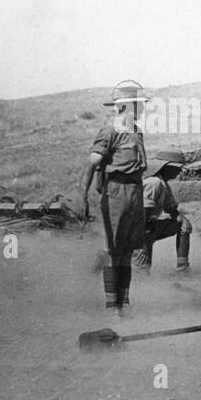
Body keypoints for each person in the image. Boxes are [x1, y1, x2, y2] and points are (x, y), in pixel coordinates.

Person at [81, 80, 150, 312]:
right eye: (137, 105)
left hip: (135, 191)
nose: (141, 109)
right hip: (116, 191)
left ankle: (125, 301)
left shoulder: (137, 132)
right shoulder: (110, 131)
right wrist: (82, 197)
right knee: (113, 250)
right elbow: (92, 163)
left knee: (128, 250)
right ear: (124, 107)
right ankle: (112, 306)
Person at [133, 149, 192, 273]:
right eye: (177, 168)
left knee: (182, 226)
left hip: (147, 228)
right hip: (137, 230)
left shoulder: (163, 184)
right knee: (141, 271)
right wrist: (141, 244)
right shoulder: (154, 183)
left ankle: (183, 268)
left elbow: (171, 209)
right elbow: (141, 214)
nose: (179, 171)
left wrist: (184, 220)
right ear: (166, 167)